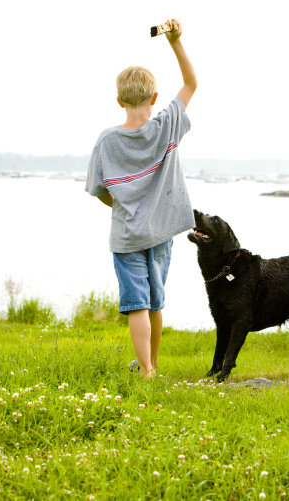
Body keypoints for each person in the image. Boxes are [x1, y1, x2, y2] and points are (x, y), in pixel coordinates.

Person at [85, 19, 197, 378]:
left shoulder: (106, 141)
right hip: (161, 233)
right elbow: (192, 83)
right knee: (155, 302)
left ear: (119, 100)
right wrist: (176, 42)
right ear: (154, 98)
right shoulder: (167, 126)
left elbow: (100, 191)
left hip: (127, 236)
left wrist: (122, 207)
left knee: (136, 304)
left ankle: (145, 368)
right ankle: (153, 365)